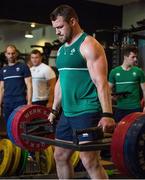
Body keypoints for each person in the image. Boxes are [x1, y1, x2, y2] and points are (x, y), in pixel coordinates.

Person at [48, 4, 116, 179]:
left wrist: (107, 114)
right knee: (60, 156)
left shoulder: (89, 45)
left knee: (89, 160)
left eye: (60, 27)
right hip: (68, 114)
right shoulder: (62, 50)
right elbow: (61, 82)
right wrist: (55, 109)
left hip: (87, 111)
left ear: (73, 21)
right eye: (55, 28)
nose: (57, 32)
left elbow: (100, 82)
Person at [109, 45, 145, 122]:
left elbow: (144, 90)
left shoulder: (139, 71)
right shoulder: (114, 72)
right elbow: (108, 90)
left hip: (135, 108)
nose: (135, 59)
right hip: (120, 108)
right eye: (133, 57)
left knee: (136, 133)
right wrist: (113, 97)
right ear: (125, 57)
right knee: (119, 132)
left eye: (136, 57)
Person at [0, 44, 32, 123]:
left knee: (19, 126)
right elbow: (1, 88)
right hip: (7, 102)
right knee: (8, 125)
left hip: (20, 101)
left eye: (13, 53)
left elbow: (29, 85)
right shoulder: (3, 70)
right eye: (9, 53)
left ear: (16, 54)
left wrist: (29, 103)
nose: (11, 55)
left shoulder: (23, 67)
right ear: (5, 54)